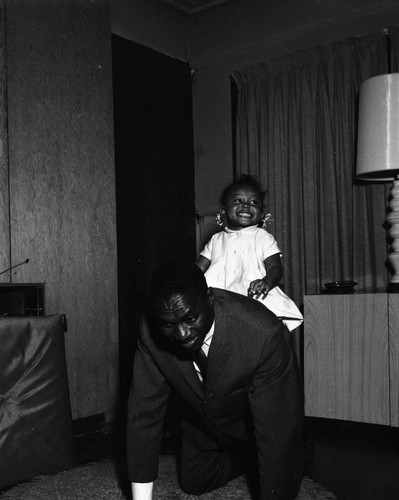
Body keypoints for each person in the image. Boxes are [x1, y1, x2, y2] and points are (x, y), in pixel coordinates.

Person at [126, 261, 305, 499]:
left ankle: (295, 455)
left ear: (210, 298)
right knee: (194, 482)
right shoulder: (151, 330)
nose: (182, 334)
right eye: (168, 324)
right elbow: (144, 412)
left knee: (279, 462)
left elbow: (277, 428)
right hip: (205, 427)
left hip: (256, 425)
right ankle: (249, 459)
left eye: (190, 318)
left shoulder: (264, 333)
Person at [196, 175, 303, 331]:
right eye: (238, 200)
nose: (246, 205)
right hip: (219, 301)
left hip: (254, 301)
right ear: (223, 211)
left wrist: (267, 281)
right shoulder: (216, 239)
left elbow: (275, 267)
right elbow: (198, 269)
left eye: (254, 202)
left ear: (261, 214)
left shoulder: (262, 237)